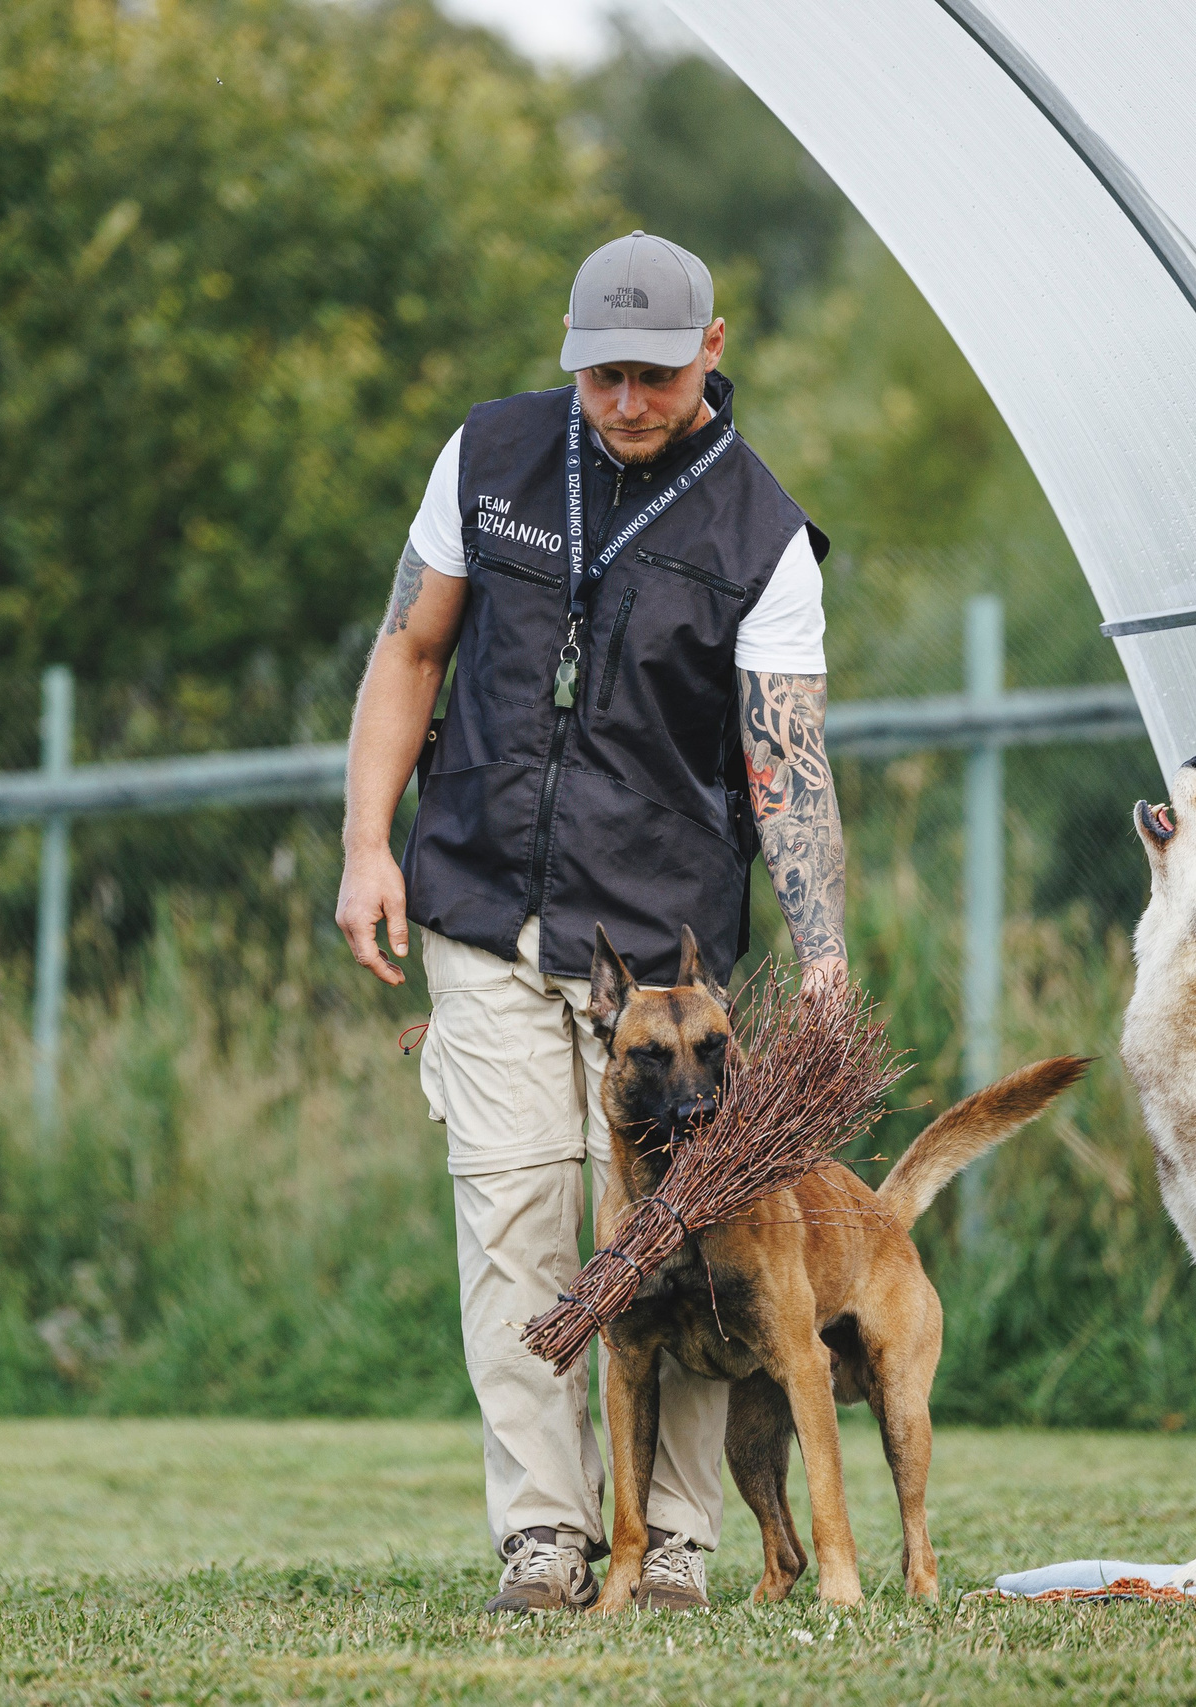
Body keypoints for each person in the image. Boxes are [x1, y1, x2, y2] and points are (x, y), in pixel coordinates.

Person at [335, 231, 849, 1613]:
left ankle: (673, 1538)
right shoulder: (488, 456)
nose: (625, 402)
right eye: (602, 375)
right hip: (480, 900)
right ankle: (545, 1538)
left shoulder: (761, 532)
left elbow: (785, 759)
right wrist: (366, 843)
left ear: (714, 353)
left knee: (686, 1236)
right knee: (516, 1224)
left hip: (665, 964)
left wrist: (823, 960)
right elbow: (412, 649)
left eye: (655, 377)